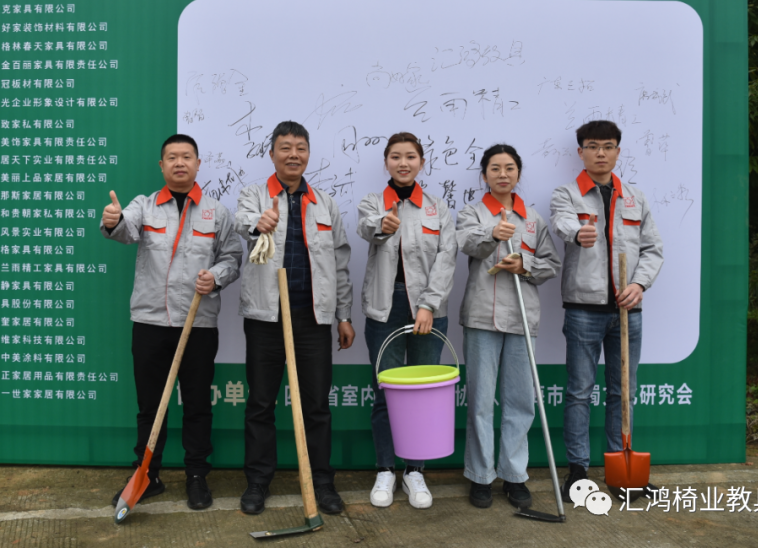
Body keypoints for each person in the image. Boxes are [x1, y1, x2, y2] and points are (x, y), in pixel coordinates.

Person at [100, 134, 242, 511]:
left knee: (197, 404)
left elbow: (232, 257)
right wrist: (113, 221)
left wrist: (216, 276)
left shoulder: (217, 212)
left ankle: (196, 476)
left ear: (198, 164)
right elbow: (124, 230)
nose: (180, 163)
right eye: (172, 157)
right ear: (161, 166)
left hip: (198, 325)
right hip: (150, 323)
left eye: (186, 157)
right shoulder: (144, 206)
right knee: (150, 406)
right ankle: (147, 475)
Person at [235, 120, 355, 516]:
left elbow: (339, 263)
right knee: (260, 403)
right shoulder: (255, 195)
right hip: (266, 318)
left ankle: (322, 482)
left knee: (316, 405)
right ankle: (257, 482)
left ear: (308, 154)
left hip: (313, 319)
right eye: (285, 148)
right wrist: (259, 223)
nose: (293, 155)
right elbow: (241, 222)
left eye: (300, 148)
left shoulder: (324, 203)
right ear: (272, 154)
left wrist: (343, 315)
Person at [550, 121, 663, 501]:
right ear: (580, 151)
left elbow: (653, 249)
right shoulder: (567, 194)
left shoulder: (635, 198)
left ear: (618, 151)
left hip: (628, 309)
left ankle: (620, 470)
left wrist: (639, 284)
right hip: (584, 309)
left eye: (608, 146)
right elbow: (563, 223)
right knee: (579, 391)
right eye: (593, 146)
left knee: (623, 391)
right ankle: (578, 470)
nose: (601, 153)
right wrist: (577, 233)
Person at [357, 132, 458, 509]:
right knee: (386, 391)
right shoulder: (373, 202)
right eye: (396, 157)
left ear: (421, 163)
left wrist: (428, 305)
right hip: (385, 307)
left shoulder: (437, 207)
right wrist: (383, 225)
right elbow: (367, 227)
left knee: (422, 396)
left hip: (428, 309)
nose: (403, 163)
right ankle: (385, 468)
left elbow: (447, 258)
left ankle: (415, 471)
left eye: (410, 157)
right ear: (386, 162)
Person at [457, 144, 560, 510]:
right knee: (481, 402)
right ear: (484, 174)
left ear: (518, 173)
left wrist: (524, 264)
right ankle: (481, 475)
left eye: (510, 168)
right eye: (495, 168)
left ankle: (514, 475)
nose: (503, 174)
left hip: (521, 318)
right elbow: (466, 243)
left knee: (520, 401)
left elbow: (551, 265)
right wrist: (493, 234)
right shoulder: (471, 213)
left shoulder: (533, 219)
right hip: (481, 317)